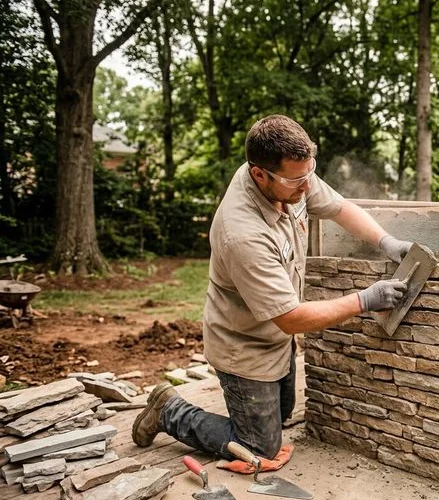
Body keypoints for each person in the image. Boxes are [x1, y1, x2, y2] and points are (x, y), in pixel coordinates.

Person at [131, 115, 412, 467]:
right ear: (258, 174)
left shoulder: (291, 177)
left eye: (310, 173)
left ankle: (248, 414)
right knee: (261, 446)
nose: (307, 187)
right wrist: (365, 300)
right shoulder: (242, 233)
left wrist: (387, 242)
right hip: (244, 345)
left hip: (276, 338)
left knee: (282, 413)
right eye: (297, 180)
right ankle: (169, 410)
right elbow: (291, 318)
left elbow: (339, 207)